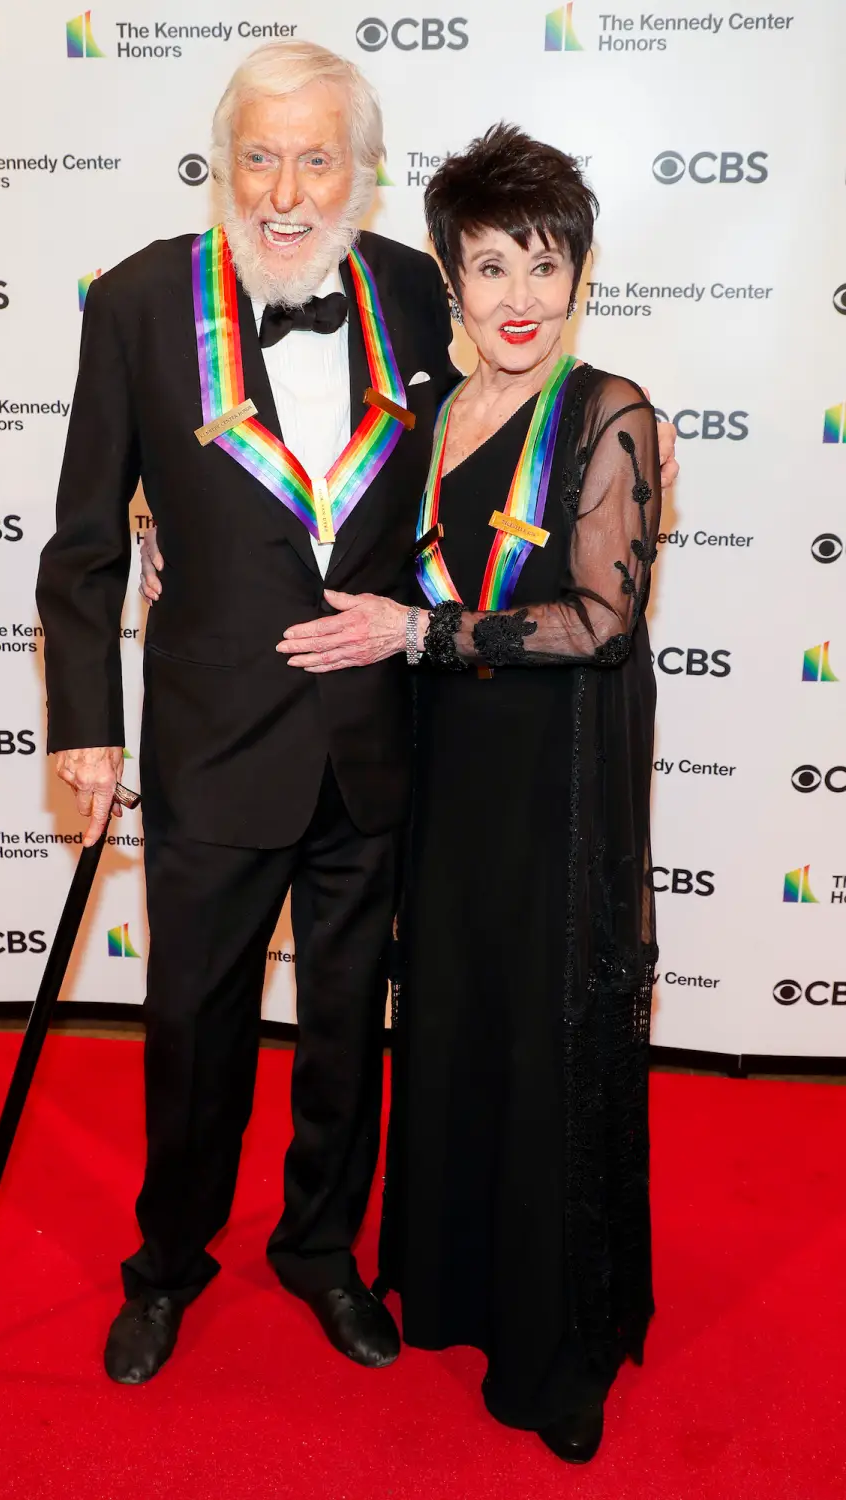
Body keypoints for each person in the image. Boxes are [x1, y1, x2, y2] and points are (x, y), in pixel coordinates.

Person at [40, 39, 675, 1397]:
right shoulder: (141, 302)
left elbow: (504, 421)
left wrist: (623, 436)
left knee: (345, 1025)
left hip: (384, 740)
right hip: (211, 740)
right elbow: (86, 540)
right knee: (192, 1029)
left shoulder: (409, 290)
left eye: (312, 157)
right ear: (223, 165)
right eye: (255, 156)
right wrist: (82, 720)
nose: (281, 190)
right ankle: (168, 1261)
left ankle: (323, 1248)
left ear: (362, 173)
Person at [265, 125, 660, 1464]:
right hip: (447, 770)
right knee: (451, 1015)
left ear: (581, 275)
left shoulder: (611, 410)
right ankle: (454, 1284)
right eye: (489, 266)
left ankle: (560, 1345)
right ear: (451, 277)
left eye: (544, 265)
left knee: (546, 1026)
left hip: (554, 778)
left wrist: (422, 638)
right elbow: (360, 556)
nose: (518, 297)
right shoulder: (433, 409)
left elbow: (600, 620)